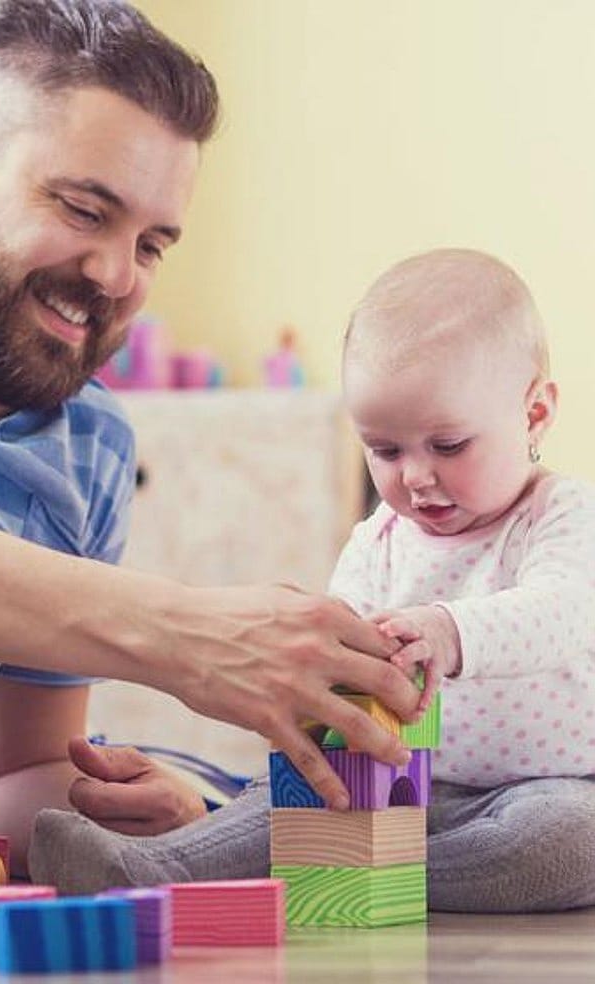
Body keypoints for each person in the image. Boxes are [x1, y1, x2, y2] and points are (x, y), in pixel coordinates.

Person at [0, 0, 421, 876]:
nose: (115, 275)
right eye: (84, 210)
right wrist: (183, 634)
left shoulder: (87, 444)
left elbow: (4, 787)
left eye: (152, 245)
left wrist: (163, 813)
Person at [30, 248, 595, 914]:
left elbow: (563, 612)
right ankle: (156, 866)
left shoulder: (561, 514)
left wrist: (449, 632)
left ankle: (376, 871)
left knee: (565, 841)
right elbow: (334, 646)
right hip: (392, 779)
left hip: (545, 787)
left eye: (448, 446)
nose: (415, 477)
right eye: (385, 449)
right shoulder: (379, 538)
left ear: (534, 415)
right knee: (288, 793)